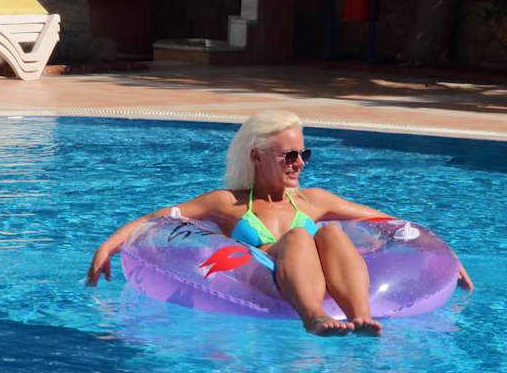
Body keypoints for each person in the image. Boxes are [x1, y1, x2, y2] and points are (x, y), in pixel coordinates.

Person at [86, 110, 474, 336]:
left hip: (323, 273)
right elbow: (157, 219)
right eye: (289, 155)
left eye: (303, 154)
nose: (299, 163)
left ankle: (361, 316)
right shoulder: (228, 204)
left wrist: (442, 257)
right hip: (265, 280)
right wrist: (108, 246)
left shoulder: (314, 201)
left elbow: (390, 224)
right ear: (257, 156)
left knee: (331, 232)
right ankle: (313, 317)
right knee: (299, 239)